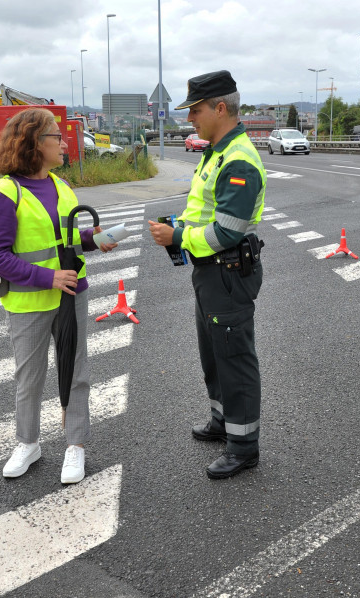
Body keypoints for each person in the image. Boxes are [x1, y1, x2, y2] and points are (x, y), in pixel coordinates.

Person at [0, 107, 118, 484]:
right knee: (30, 378)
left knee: (76, 372)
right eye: (55, 135)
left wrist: (96, 240)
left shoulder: (62, 186)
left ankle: (76, 446)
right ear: (33, 143)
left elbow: (69, 239)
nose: (63, 141)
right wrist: (48, 277)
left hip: (72, 294)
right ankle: (28, 443)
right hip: (29, 302)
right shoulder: (4, 193)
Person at [149, 70, 266, 479]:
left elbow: (226, 231)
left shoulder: (237, 160)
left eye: (195, 110)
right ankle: (222, 421)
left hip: (227, 269)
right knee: (214, 354)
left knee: (234, 358)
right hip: (209, 272)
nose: (190, 119)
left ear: (221, 108)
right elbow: (203, 211)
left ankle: (243, 446)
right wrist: (178, 228)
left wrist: (177, 235)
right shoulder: (215, 151)